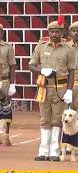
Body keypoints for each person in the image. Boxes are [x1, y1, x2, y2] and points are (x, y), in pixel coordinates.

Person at [29, 16, 75, 161]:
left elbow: (72, 71)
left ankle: (54, 151)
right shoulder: (41, 47)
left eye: (57, 32)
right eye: (52, 31)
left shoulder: (68, 49)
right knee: (44, 119)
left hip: (61, 88)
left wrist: (69, 90)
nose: (54, 34)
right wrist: (41, 70)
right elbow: (31, 65)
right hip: (44, 87)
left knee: (57, 120)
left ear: (62, 33)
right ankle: (43, 151)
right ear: (48, 32)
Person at [0, 16, 17, 146]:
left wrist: (13, 84)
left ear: (2, 33)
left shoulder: (8, 47)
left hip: (4, 81)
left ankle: (6, 136)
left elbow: (12, 66)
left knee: (6, 110)